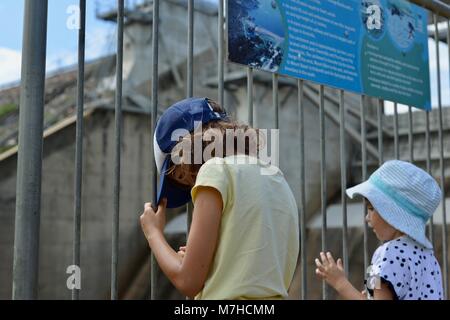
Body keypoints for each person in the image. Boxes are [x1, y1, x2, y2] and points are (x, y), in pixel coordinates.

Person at [139, 97, 299, 299]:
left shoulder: (214, 170)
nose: (190, 183)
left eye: (179, 175)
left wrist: (153, 233)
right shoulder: (276, 177)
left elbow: (187, 280)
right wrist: (213, 256)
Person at [315, 160, 444, 300]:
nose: (366, 217)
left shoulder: (388, 253)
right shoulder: (428, 256)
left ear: (392, 214)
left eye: (371, 209)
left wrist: (340, 282)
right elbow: (373, 294)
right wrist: (369, 294)